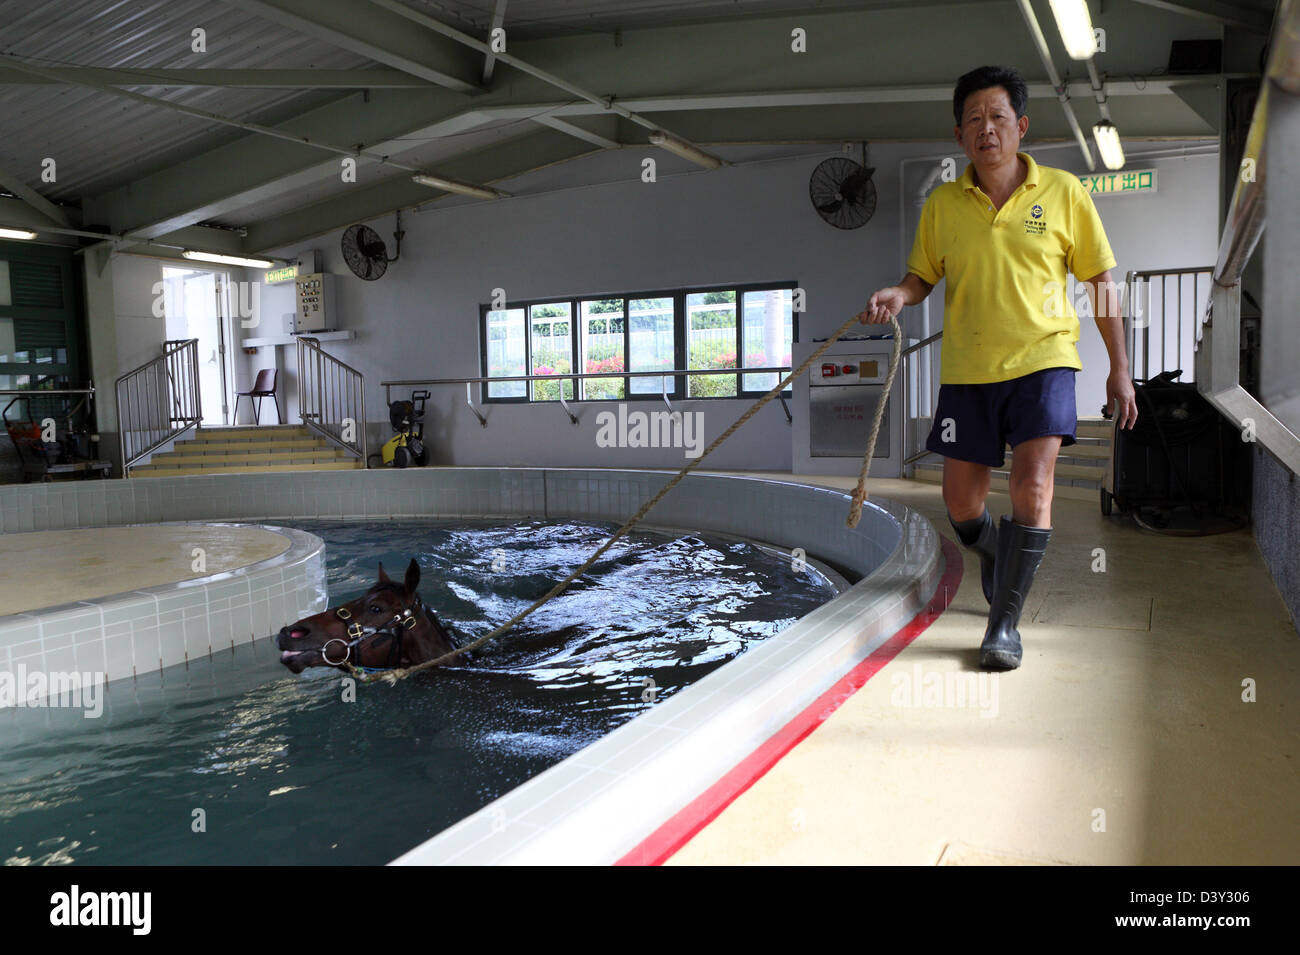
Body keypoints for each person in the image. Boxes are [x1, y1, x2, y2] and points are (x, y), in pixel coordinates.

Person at [859, 64, 1138, 670]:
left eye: (998, 117)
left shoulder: (1065, 192)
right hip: (968, 370)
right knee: (961, 500)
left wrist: (1120, 367)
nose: (987, 129)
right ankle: (995, 551)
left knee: (1032, 486)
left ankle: (1002, 623)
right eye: (974, 120)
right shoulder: (942, 204)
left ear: (1021, 127)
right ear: (959, 136)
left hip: (1045, 362)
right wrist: (898, 295)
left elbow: (1101, 281)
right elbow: (921, 277)